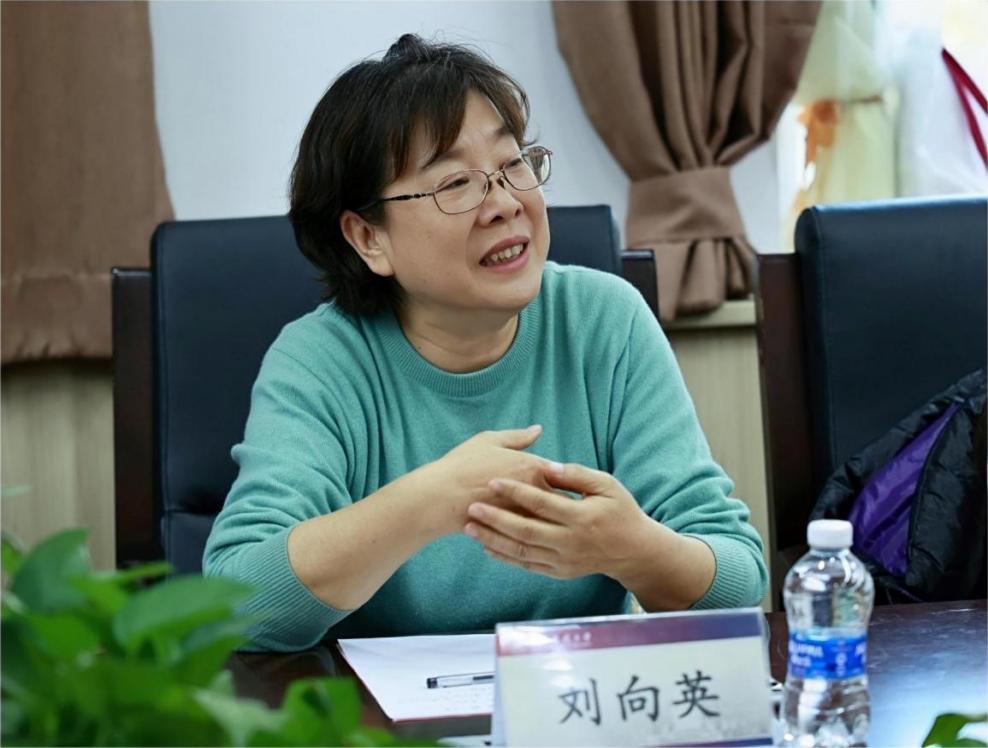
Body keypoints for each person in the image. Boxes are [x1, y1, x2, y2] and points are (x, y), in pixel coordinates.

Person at [203, 34, 768, 652]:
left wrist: (635, 550)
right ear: (369, 238)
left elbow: (738, 582)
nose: (503, 203)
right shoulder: (320, 361)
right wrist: (430, 502)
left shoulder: (605, 320)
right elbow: (235, 606)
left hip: (573, 697)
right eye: (454, 184)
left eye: (512, 164)